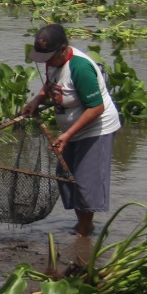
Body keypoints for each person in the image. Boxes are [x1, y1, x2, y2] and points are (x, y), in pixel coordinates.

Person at [21, 23, 121, 238]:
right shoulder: (52, 62)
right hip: (72, 130)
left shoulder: (80, 67)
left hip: (96, 129)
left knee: (85, 182)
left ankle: (83, 233)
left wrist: (67, 134)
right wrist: (37, 99)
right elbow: (50, 85)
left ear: (63, 49)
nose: (45, 61)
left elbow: (97, 107)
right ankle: (84, 225)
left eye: (49, 56)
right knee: (65, 175)